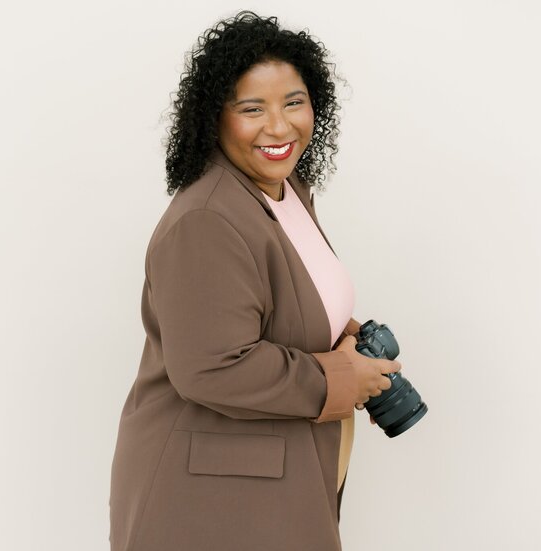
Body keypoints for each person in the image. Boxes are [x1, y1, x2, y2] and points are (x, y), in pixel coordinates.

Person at [109, 10, 402, 551]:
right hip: (209, 502)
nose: (279, 127)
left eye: (293, 102)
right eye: (252, 109)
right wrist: (341, 380)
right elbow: (213, 367)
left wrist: (351, 340)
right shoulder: (206, 220)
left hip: (273, 479)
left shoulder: (285, 189)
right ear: (214, 117)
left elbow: (289, 300)